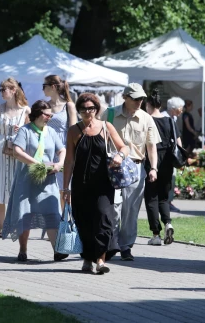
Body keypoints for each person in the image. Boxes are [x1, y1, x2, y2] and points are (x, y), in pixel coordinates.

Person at [63, 93, 129, 274]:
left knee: (103, 219)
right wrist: (65, 187)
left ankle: (100, 260)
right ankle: (87, 259)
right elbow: (69, 160)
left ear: (96, 109)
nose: (87, 112)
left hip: (103, 183)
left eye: (91, 108)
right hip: (81, 184)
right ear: (79, 110)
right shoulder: (74, 131)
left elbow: (124, 147)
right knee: (83, 221)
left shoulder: (106, 127)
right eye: (83, 109)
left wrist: (119, 155)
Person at [100, 83, 160, 262]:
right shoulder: (109, 114)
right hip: (113, 166)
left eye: (142, 98)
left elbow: (151, 146)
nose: (139, 102)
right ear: (125, 97)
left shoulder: (146, 118)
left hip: (135, 167)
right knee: (113, 208)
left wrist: (154, 168)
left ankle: (126, 246)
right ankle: (112, 243)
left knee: (131, 211)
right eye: (135, 98)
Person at [2, 100, 67, 262]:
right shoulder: (25, 131)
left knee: (52, 212)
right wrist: (37, 164)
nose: (49, 118)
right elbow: (17, 151)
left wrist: (59, 163)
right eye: (47, 115)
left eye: (51, 115)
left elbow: (62, 149)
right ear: (37, 114)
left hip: (48, 180)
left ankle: (57, 250)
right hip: (27, 180)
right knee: (25, 214)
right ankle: (23, 250)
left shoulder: (50, 131)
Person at [0, 78, 30, 236]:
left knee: (15, 188)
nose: (2, 92)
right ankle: (3, 227)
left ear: (13, 90)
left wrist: (24, 128)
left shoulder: (25, 110)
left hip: (17, 150)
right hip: (0, 149)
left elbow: (34, 131)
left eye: (4, 89)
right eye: (1, 89)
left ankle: (15, 224)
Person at [144, 89, 182, 246]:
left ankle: (156, 234)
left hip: (151, 161)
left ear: (149, 104)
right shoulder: (169, 121)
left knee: (151, 197)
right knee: (164, 197)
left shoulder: (146, 120)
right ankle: (168, 223)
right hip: (167, 161)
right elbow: (178, 143)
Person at [42, 74, 78, 211]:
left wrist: (71, 153)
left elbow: (73, 130)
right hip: (47, 148)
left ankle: (67, 222)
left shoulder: (68, 105)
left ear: (52, 87)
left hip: (64, 149)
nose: (43, 90)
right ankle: (55, 223)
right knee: (49, 188)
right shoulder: (45, 105)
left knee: (65, 189)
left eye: (44, 86)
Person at [165, 97, 185, 213]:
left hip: (172, 154)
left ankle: (168, 201)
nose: (181, 111)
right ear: (174, 109)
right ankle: (166, 201)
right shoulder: (164, 117)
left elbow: (177, 137)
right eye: (180, 109)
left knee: (172, 178)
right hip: (165, 154)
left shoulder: (174, 118)